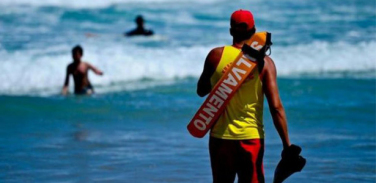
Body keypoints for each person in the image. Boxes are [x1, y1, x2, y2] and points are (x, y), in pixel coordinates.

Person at [197, 9, 291, 183]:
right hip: (251, 138)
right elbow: (276, 108)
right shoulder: (265, 63)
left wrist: (219, 81)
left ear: (231, 31)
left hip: (220, 138)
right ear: (254, 30)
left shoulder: (216, 56)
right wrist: (287, 145)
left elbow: (201, 90)